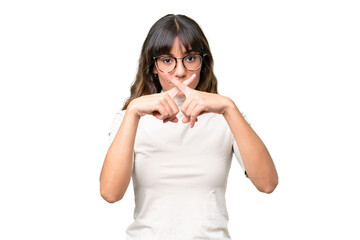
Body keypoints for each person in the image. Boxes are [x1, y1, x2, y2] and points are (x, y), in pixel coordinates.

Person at [100, 14, 278, 240]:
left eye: (190, 58)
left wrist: (228, 107)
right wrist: (134, 111)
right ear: (153, 66)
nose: (180, 72)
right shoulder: (130, 118)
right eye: (167, 60)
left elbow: (268, 184)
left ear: (203, 62)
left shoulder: (226, 116)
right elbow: (110, 193)